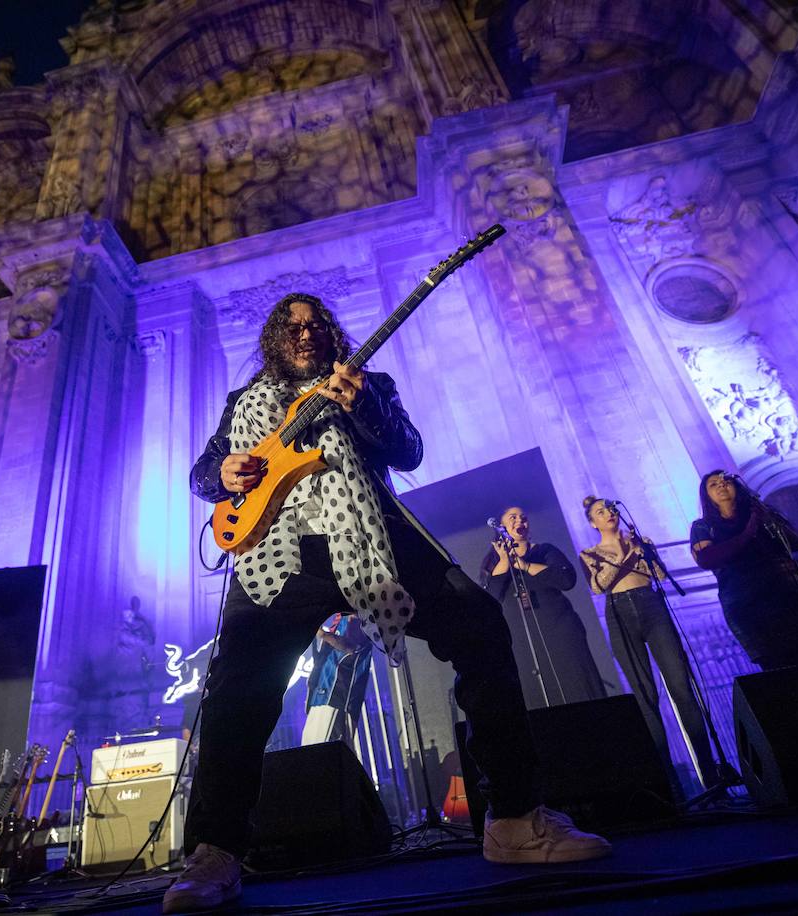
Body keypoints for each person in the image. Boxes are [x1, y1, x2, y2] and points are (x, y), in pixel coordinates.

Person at [165, 293, 609, 913]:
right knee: (238, 689)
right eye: (291, 327)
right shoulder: (243, 404)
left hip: (373, 538)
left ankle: (513, 819)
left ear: (330, 333)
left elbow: (408, 451)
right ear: (275, 338)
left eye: (315, 324)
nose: (305, 333)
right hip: (279, 555)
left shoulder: (368, 384)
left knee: (479, 626)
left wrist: (363, 405)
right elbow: (203, 473)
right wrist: (224, 473)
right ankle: (214, 853)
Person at [579, 496, 718, 790]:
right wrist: (627, 556)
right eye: (600, 513)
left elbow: (660, 576)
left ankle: (711, 774)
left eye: (610, 509)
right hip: (620, 612)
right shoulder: (590, 553)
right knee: (645, 695)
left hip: (651, 605)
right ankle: (669, 785)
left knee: (681, 686)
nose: (608, 514)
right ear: (593, 522)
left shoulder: (640, 541)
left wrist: (647, 552)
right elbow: (598, 585)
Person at [689, 471, 798, 671]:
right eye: (713, 484)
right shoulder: (703, 526)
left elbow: (797, 542)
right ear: (706, 495)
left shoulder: (760, 513)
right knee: (779, 666)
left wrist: (766, 518)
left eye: (726, 481)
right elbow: (707, 558)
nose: (722, 485)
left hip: (791, 595)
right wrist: (749, 531)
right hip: (749, 605)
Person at [480, 506, 606, 707]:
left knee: (578, 687)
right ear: (501, 526)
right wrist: (505, 561)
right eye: (512, 518)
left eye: (523, 517)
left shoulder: (544, 550)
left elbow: (566, 579)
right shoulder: (492, 563)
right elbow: (490, 599)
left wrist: (526, 565)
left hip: (560, 630)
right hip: (522, 639)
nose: (519, 521)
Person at [301, 612, 372, 748]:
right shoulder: (338, 619)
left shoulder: (359, 616)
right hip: (320, 698)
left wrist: (322, 634)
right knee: (308, 757)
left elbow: (351, 646)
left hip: (337, 699)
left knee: (327, 757)